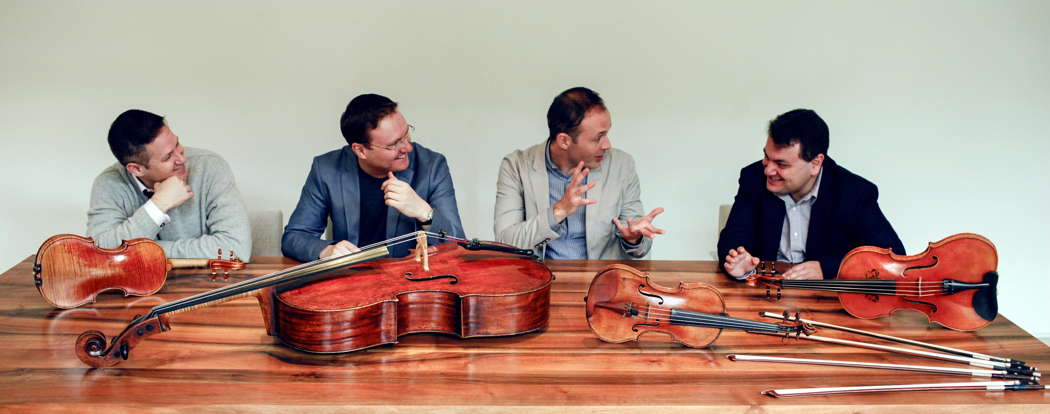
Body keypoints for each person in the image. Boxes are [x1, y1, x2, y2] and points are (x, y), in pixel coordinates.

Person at [717, 108, 904, 280]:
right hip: (766, 292)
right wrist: (739, 263)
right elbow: (732, 239)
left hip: (826, 299)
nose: (768, 170)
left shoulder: (854, 193)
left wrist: (827, 268)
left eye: (781, 164)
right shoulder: (753, 178)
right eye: (767, 157)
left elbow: (893, 257)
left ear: (815, 163)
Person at [282, 93, 464, 261]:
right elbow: (294, 237)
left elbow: (459, 245)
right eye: (394, 144)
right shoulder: (327, 169)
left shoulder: (432, 166)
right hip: (352, 281)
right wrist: (327, 250)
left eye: (406, 134)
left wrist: (425, 213)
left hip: (411, 285)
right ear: (360, 150)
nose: (407, 147)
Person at [494, 87, 664, 260]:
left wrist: (634, 238)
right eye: (598, 138)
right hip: (539, 279)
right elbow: (505, 243)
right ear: (564, 141)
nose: (607, 145)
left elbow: (640, 248)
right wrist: (558, 211)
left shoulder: (622, 165)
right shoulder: (516, 166)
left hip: (604, 281)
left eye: (607, 134)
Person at [87, 109, 252, 260]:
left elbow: (236, 249)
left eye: (178, 145)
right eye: (167, 157)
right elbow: (99, 254)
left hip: (207, 287)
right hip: (139, 290)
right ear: (136, 169)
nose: (182, 159)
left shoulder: (210, 167)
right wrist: (158, 205)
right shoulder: (108, 184)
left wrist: (142, 251)